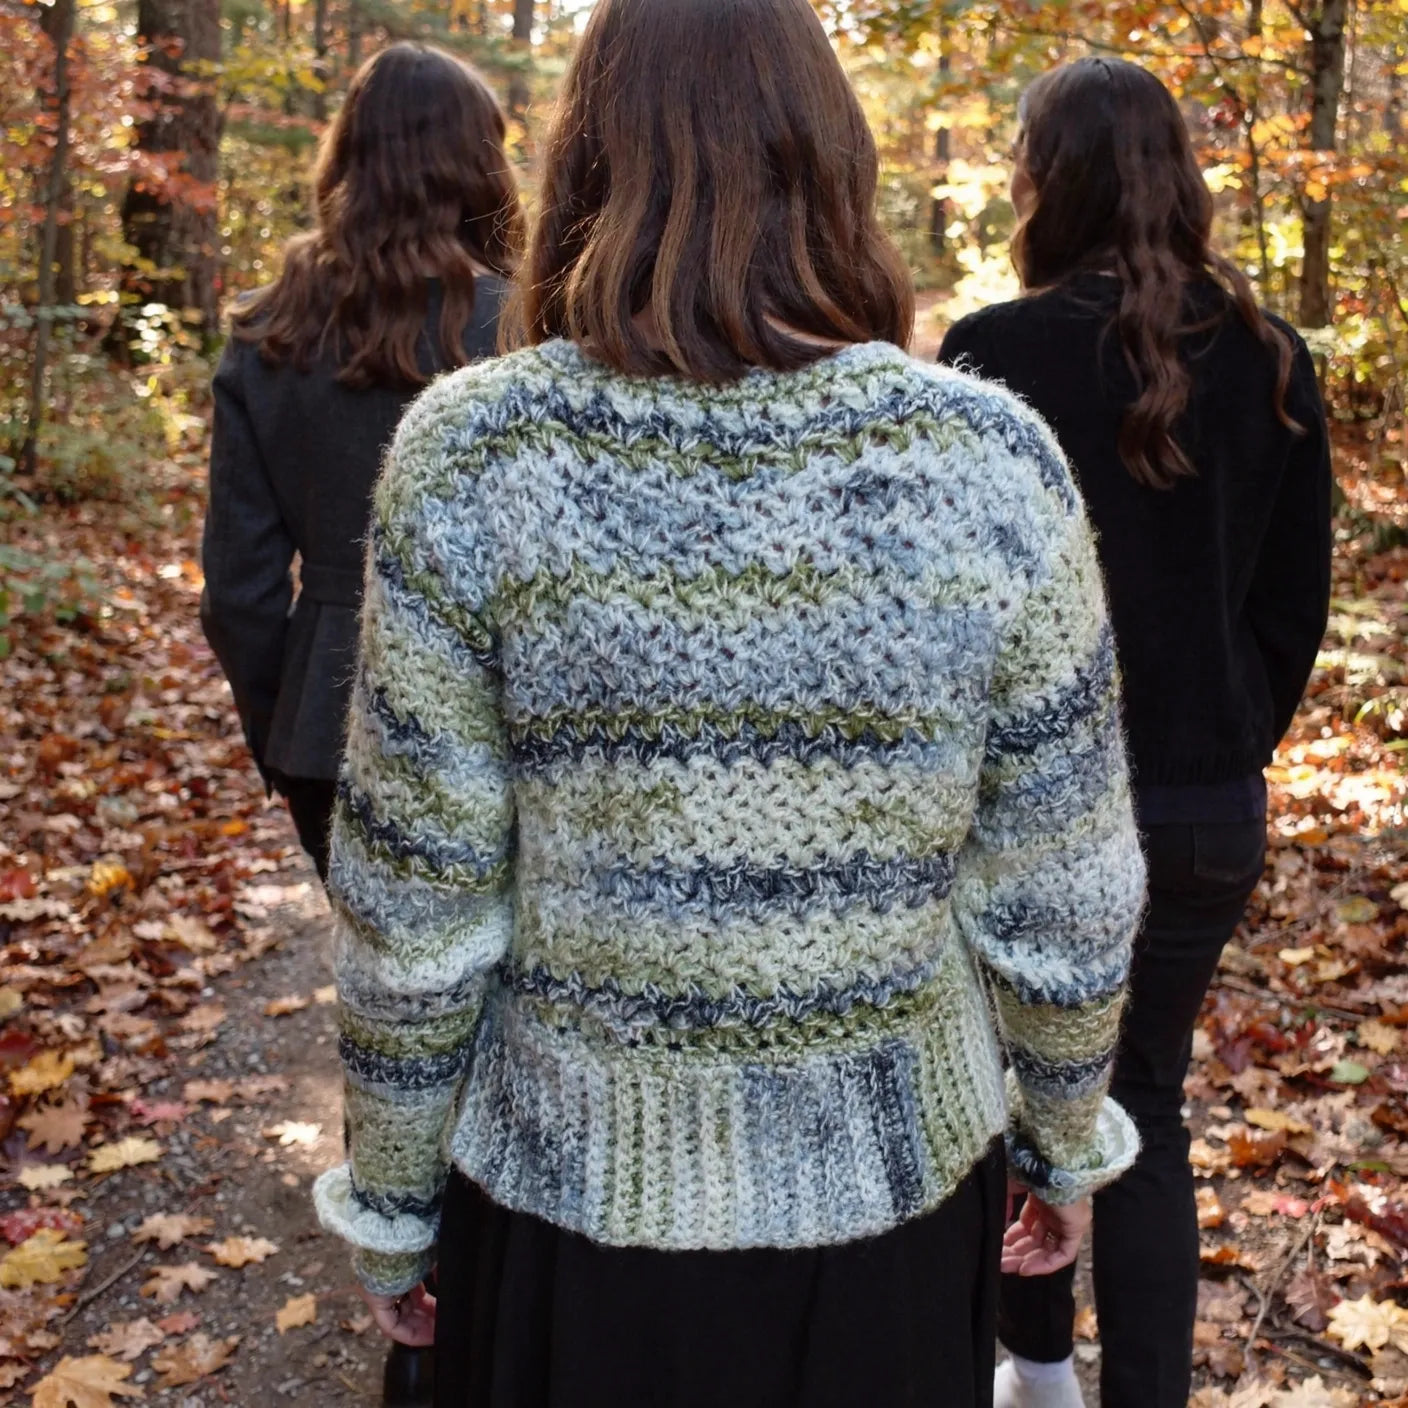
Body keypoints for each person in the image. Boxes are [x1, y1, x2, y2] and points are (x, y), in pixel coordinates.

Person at [312, 4, 1146, 1405]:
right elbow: (1066, 888)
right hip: (889, 1221)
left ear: (586, 164)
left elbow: (418, 907)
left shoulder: (474, 459)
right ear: (834, 162)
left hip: (569, 1226)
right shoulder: (991, 465)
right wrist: (1061, 1143)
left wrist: (396, 1205)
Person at [938, 57, 1332, 1408]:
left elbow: (954, 620)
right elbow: (1292, 614)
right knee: (1144, 1110)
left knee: (1029, 1106)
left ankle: (1039, 1382)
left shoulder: (993, 352)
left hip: (1031, 818)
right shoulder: (1274, 358)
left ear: (1051, 178)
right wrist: (1220, 751)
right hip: (1204, 808)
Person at [199, 41, 523, 1408]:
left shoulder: (268, 336)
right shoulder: (524, 328)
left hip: (331, 724)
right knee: (504, 1012)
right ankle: (501, 1310)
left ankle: (421, 1317)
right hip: (510, 723)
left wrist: (292, 722)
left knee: (397, 1005)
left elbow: (235, 590)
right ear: (479, 163)